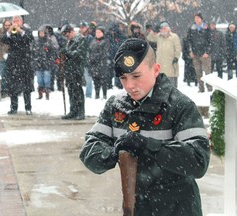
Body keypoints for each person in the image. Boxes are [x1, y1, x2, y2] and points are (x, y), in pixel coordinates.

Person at [79, 38, 210, 215]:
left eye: (136, 76)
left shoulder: (180, 106)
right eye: (123, 78)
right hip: (136, 207)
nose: (130, 85)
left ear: (155, 69)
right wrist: (113, 153)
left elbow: (198, 160)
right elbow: (89, 151)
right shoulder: (116, 106)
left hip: (178, 209)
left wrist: (148, 146)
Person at [1, 16, 34, 115]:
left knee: (26, 87)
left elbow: (29, 39)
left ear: (21, 22)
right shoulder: (11, 32)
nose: (15, 23)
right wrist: (9, 31)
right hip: (13, 62)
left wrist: (20, 30)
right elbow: (3, 39)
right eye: (13, 21)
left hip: (24, 61)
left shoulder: (26, 30)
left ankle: (28, 108)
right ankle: (13, 107)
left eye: (17, 21)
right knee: (13, 87)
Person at [60, 24, 86, 120]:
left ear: (71, 31)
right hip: (69, 70)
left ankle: (80, 112)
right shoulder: (70, 41)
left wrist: (67, 52)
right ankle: (73, 111)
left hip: (76, 70)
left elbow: (79, 54)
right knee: (70, 90)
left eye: (67, 34)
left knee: (77, 91)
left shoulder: (81, 39)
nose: (66, 37)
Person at [147, 21, 181, 88]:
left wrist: (176, 57)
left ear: (168, 29)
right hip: (161, 63)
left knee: (172, 84)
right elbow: (149, 38)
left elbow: (178, 48)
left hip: (171, 63)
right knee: (162, 84)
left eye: (165, 28)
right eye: (162, 28)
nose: (163, 30)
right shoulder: (158, 37)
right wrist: (153, 31)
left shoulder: (174, 37)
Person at [187, 12, 212, 92]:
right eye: (195, 18)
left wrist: (207, 52)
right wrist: (190, 51)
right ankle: (201, 88)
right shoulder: (192, 28)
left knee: (207, 72)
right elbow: (188, 41)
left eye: (198, 18)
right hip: (195, 54)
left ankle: (209, 88)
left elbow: (210, 41)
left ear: (201, 19)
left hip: (205, 54)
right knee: (198, 73)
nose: (196, 20)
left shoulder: (206, 28)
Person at [32, 25, 58, 100]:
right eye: (40, 33)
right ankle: (40, 94)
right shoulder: (36, 42)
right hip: (38, 63)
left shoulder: (49, 42)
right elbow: (33, 52)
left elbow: (53, 52)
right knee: (39, 79)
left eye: (43, 33)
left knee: (47, 79)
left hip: (47, 63)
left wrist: (50, 60)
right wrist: (34, 60)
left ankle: (47, 93)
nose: (41, 34)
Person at [88, 26, 110, 99]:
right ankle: (97, 95)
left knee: (103, 80)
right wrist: (90, 57)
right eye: (96, 32)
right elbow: (89, 50)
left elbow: (104, 53)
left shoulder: (106, 41)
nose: (97, 34)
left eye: (99, 32)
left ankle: (104, 95)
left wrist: (94, 57)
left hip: (102, 64)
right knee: (95, 80)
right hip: (94, 64)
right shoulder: (93, 41)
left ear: (103, 33)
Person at [0, 19, 11, 98]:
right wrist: (2, 54)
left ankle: (10, 90)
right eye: (6, 25)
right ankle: (3, 91)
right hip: (2, 58)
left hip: (12, 57)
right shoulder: (0, 34)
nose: (7, 27)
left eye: (9, 25)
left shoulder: (13, 32)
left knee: (11, 75)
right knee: (3, 75)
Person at [79, 21, 94, 98]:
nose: (82, 29)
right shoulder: (78, 37)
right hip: (80, 62)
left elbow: (90, 49)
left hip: (87, 62)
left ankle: (88, 95)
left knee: (88, 80)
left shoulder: (90, 38)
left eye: (83, 27)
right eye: (81, 27)